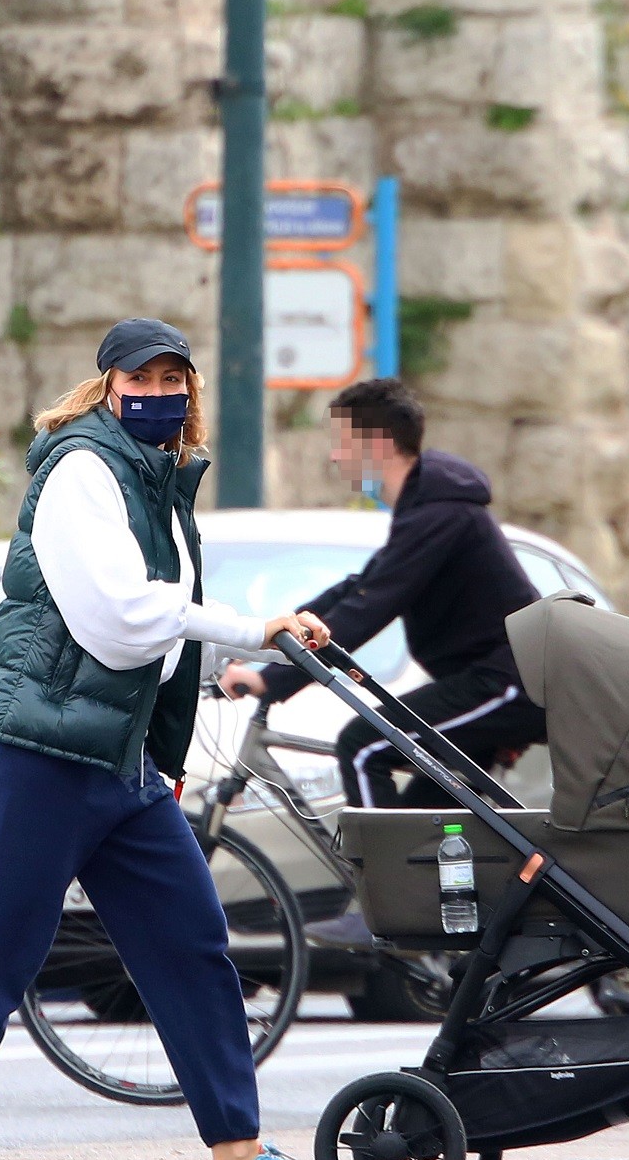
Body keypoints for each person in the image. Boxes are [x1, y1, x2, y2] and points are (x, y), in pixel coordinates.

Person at [0, 317, 332, 1160]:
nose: (159, 392)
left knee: (193, 945)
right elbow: (123, 621)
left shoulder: (159, 477)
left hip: (117, 763)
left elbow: (156, 647)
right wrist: (253, 628)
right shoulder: (83, 472)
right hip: (47, 755)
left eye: (176, 377)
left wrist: (166, 747)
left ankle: (238, 1159)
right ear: (108, 387)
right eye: (142, 379)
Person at [219, 376, 547, 948]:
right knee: (430, 811)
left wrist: (273, 679)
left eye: (342, 440)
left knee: (363, 745)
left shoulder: (441, 514)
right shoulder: (425, 507)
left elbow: (371, 607)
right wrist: (274, 637)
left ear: (376, 445)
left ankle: (389, 910)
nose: (333, 453)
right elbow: (361, 585)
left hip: (509, 681)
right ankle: (461, 933)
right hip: (488, 680)